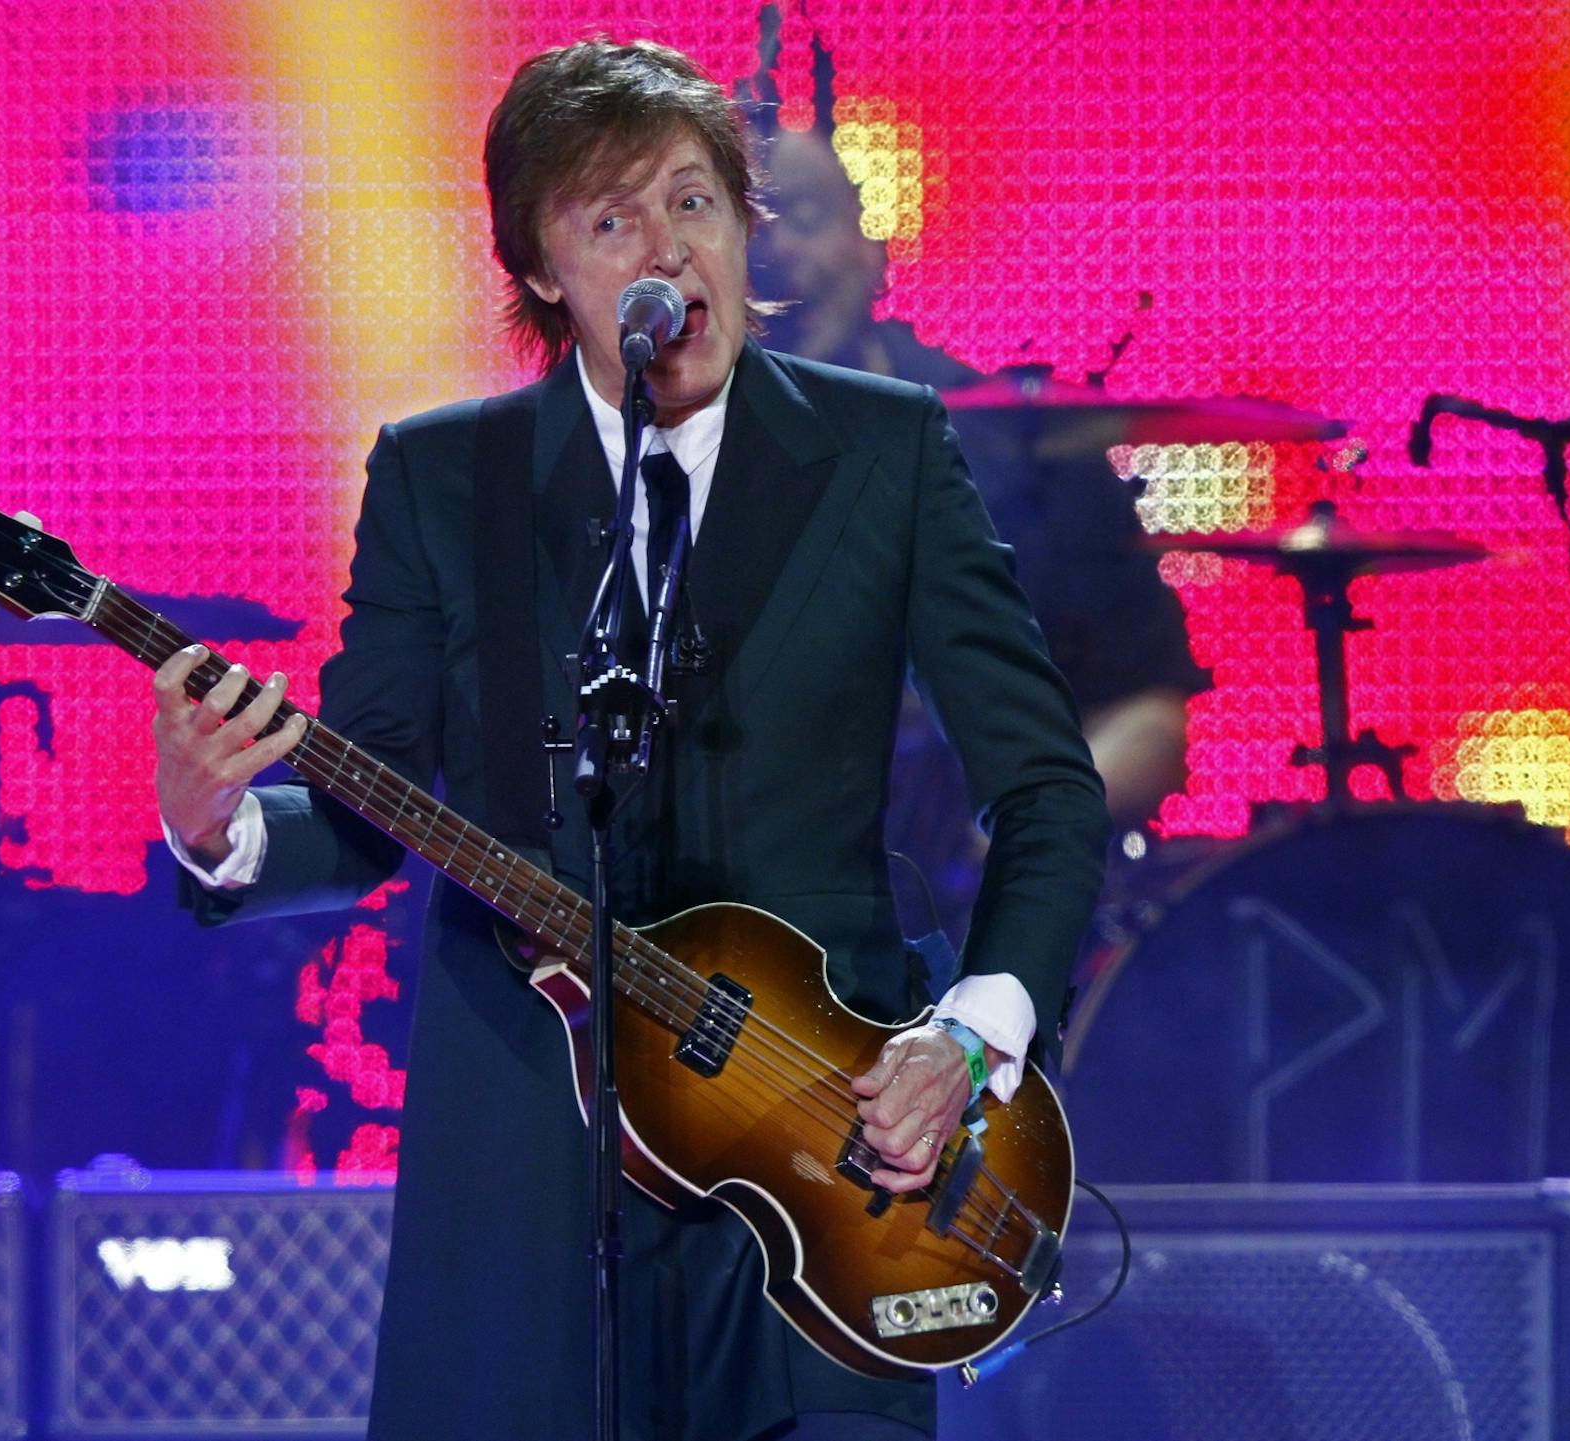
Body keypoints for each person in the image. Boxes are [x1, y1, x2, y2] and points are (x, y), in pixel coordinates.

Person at [150, 39, 1108, 1441]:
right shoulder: (444, 479)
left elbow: (1044, 789)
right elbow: (368, 804)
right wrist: (215, 825)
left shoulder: (885, 451)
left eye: (695, 202)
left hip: (819, 1139)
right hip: (530, 1146)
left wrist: (969, 1033)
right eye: (614, 221)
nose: (672, 250)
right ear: (544, 272)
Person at [754, 123, 1210, 941]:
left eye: (804, 215)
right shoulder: (656, 466)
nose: (776, 250)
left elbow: (1151, 711)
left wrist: (1025, 830)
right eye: (746, 223)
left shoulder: (1021, 445)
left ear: (872, 247)